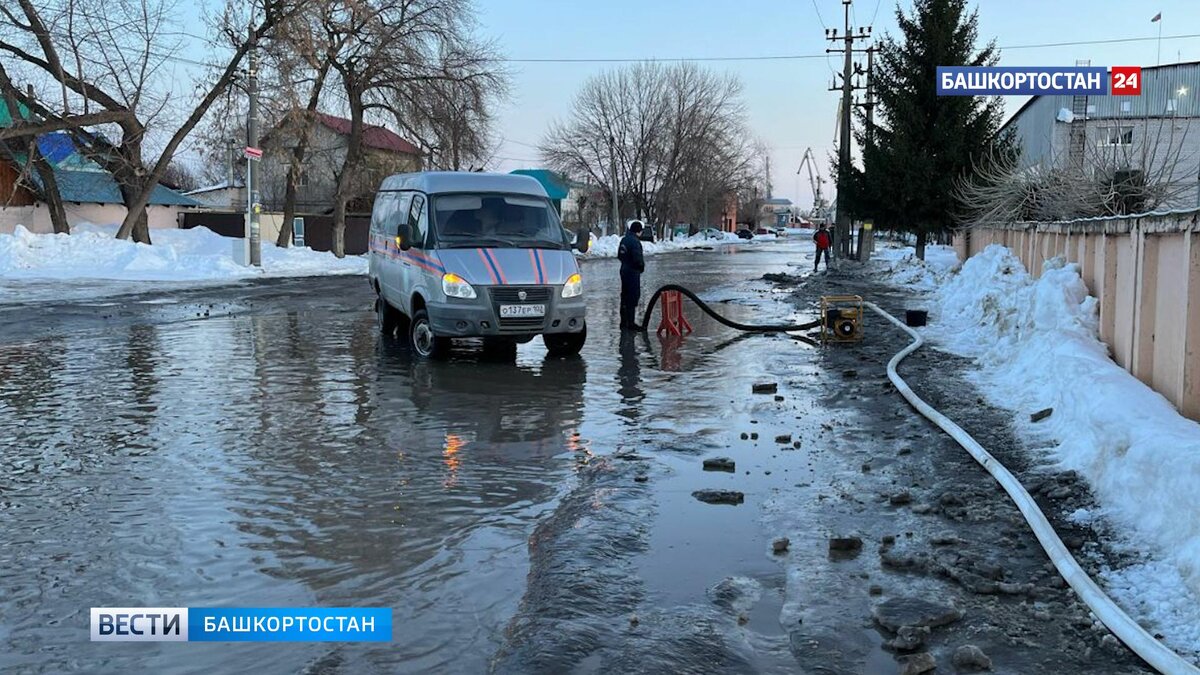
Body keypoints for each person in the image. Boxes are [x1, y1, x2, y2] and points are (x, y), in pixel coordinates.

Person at [617, 220, 646, 330]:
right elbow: (637, 258)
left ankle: (623, 322)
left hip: (624, 270)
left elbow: (619, 255)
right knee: (633, 296)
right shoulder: (635, 242)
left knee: (624, 296)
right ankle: (631, 323)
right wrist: (640, 267)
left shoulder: (624, 240)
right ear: (638, 231)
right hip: (632, 272)